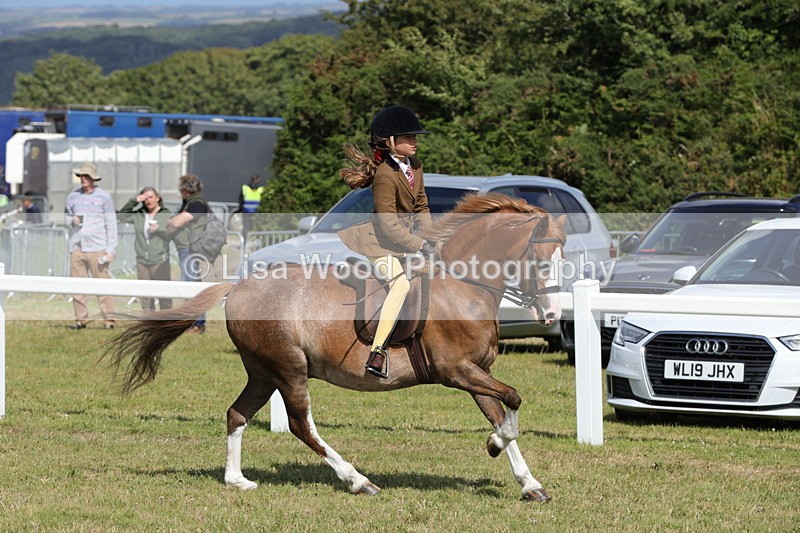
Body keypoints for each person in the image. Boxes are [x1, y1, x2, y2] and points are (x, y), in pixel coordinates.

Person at [338, 105, 435, 377]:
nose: (415, 141)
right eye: (409, 137)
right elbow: (388, 225)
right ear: (390, 141)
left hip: (402, 244)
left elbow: (422, 206)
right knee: (400, 285)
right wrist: (419, 245)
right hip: (379, 245)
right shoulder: (384, 174)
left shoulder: (416, 166)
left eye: (415, 136)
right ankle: (377, 352)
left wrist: (432, 237)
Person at [64, 163, 117, 330]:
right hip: (77, 247)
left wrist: (110, 249)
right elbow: (65, 217)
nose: (83, 179)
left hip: (97, 248)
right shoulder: (73, 196)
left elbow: (111, 223)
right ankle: (81, 320)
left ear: (93, 178)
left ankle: (109, 320)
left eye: (86, 176)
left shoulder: (104, 197)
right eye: (81, 176)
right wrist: (71, 220)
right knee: (77, 286)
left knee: (102, 285)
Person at [166, 174, 211, 333]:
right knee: (193, 283)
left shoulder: (197, 204)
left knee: (189, 285)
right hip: (188, 248)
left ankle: (196, 323)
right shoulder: (191, 202)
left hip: (191, 249)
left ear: (186, 190)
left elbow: (177, 222)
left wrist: (169, 222)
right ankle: (196, 322)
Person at [118, 187, 174, 312]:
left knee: (164, 294)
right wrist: (134, 201)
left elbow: (171, 234)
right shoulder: (139, 214)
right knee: (145, 296)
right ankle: (149, 320)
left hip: (159, 261)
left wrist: (159, 229)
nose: (148, 201)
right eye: (145, 198)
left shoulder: (166, 214)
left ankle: (167, 320)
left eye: (151, 197)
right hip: (142, 261)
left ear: (157, 198)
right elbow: (121, 216)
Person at [237, 173, 264, 241]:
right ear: (258, 179)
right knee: (257, 227)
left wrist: (241, 209)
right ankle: (257, 241)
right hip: (257, 212)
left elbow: (241, 199)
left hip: (246, 211)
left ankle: (244, 241)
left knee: (246, 227)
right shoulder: (261, 189)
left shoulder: (245, 188)